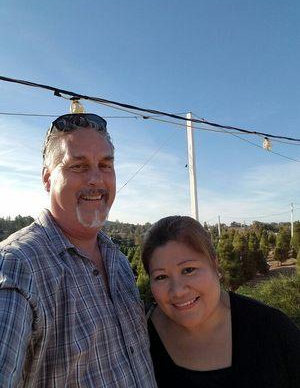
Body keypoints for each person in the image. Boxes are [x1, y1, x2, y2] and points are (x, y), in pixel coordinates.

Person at [0, 113, 157, 387]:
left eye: (105, 165)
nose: (96, 179)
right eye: (79, 166)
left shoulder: (117, 260)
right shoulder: (17, 266)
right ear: (48, 179)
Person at [141, 215, 300, 388]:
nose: (178, 291)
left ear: (214, 266)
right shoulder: (139, 341)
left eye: (188, 270)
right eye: (161, 276)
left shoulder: (272, 329)